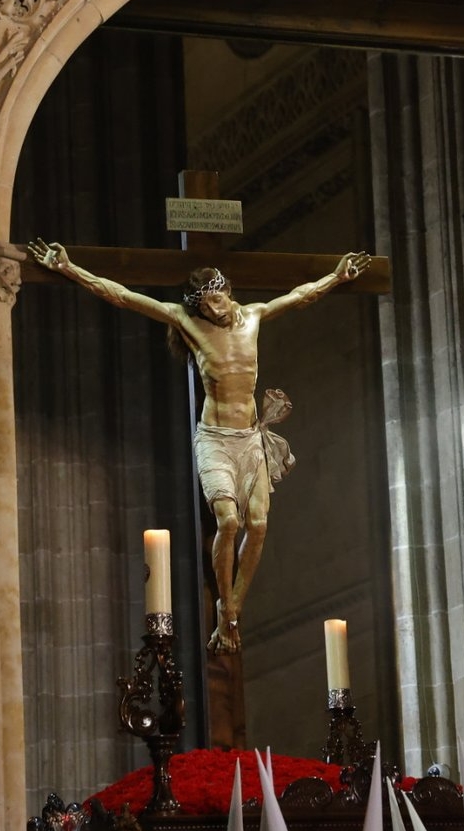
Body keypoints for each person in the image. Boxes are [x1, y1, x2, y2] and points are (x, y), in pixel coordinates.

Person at [27, 239, 372, 653]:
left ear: (228, 291)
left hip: (250, 438)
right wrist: (69, 269)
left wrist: (337, 276)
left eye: (218, 298)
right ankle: (226, 607)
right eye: (206, 304)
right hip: (215, 440)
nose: (215, 308)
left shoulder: (254, 316)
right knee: (228, 522)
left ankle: (231, 609)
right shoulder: (187, 322)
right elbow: (121, 295)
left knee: (259, 525)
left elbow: (301, 296)